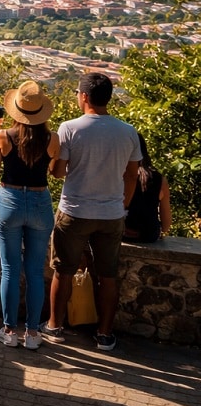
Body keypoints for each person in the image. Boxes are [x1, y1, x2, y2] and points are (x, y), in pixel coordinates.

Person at [41, 72, 141, 352]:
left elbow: (58, 172)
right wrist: (122, 205)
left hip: (75, 210)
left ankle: (54, 326)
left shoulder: (70, 128)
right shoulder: (128, 131)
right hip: (111, 214)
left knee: (63, 271)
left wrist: (55, 162)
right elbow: (132, 176)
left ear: (84, 96)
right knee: (107, 275)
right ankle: (105, 334)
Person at [0, 80, 58, 350]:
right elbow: (53, 171)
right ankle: (32, 333)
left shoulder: (3, 136)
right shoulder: (53, 139)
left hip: (10, 200)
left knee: (10, 269)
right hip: (40, 202)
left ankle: (9, 330)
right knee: (35, 271)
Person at [124, 133, 171, 243]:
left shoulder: (120, 174)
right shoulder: (160, 180)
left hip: (121, 232)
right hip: (148, 234)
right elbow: (166, 225)